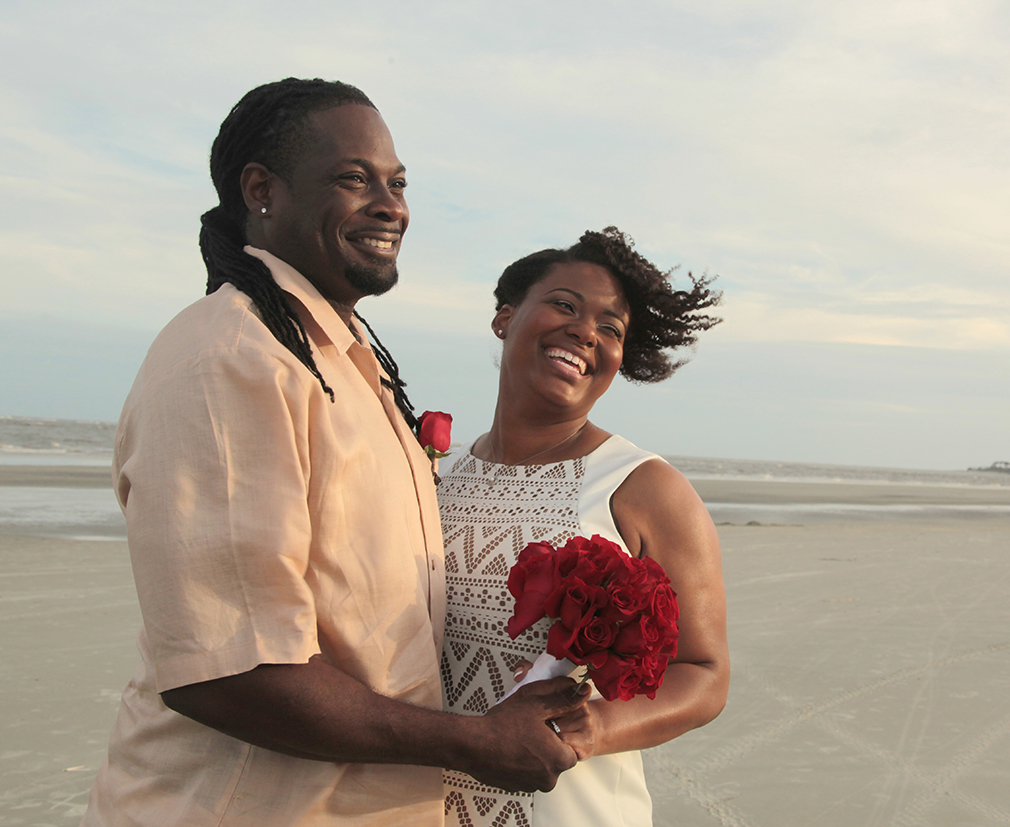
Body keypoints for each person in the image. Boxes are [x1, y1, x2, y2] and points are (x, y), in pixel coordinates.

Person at [82, 78, 588, 827]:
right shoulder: (231, 358)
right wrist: (473, 743)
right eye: (355, 179)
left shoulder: (350, 364)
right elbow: (232, 671)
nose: (391, 205)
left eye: (398, 182)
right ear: (262, 190)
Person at [438, 227, 730, 826]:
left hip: (565, 806)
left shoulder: (644, 489)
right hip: (423, 802)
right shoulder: (439, 478)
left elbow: (704, 673)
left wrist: (592, 727)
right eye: (565, 305)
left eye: (611, 328)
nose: (585, 332)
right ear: (505, 316)